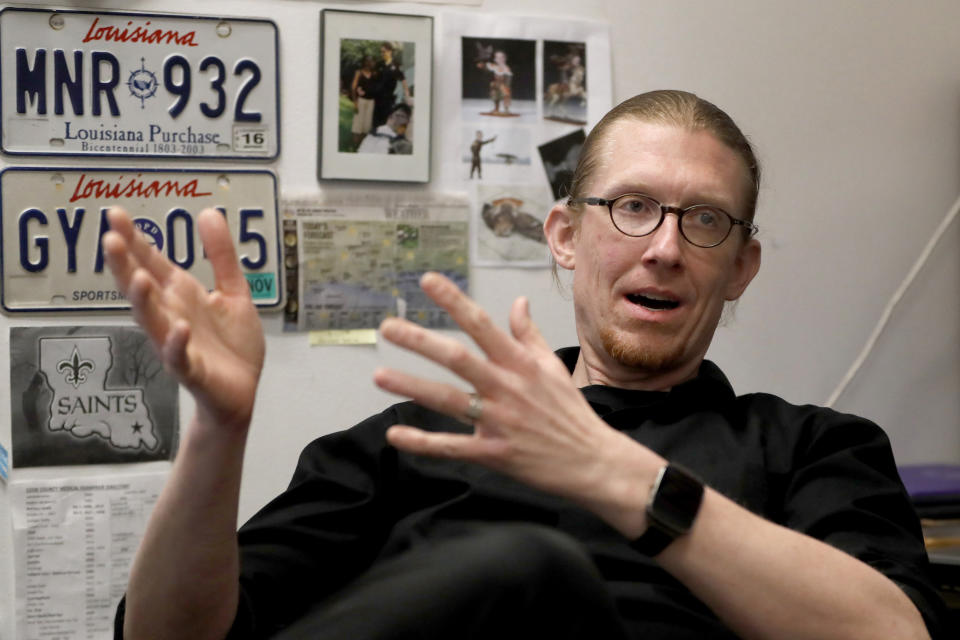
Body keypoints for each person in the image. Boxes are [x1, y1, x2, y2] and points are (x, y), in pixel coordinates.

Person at [108, 90, 947, 639]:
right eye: (632, 207)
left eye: (705, 221)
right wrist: (219, 432)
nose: (663, 249)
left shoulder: (812, 448)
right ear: (564, 236)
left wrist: (616, 474)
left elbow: (897, 634)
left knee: (526, 569)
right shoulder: (419, 438)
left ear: (742, 267)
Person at [371, 42, 410, 130]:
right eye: (381, 52)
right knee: (375, 122)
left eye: (384, 52)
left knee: (385, 122)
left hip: (388, 99)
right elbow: (373, 78)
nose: (382, 54)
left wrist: (407, 95)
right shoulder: (379, 64)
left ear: (390, 52)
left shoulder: (396, 65)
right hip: (377, 98)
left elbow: (403, 81)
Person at [349, 55, 378, 149]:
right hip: (361, 101)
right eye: (369, 61)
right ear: (365, 62)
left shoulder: (374, 74)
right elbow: (353, 88)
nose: (371, 63)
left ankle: (362, 146)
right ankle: (355, 146)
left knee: (367, 125)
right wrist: (355, 102)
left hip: (371, 102)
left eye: (372, 61)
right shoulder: (359, 72)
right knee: (358, 123)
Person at [479, 50, 513, 114]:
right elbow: (487, 67)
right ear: (495, 59)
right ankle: (496, 109)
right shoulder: (495, 66)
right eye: (497, 57)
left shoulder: (506, 68)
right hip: (496, 84)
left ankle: (506, 109)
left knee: (506, 95)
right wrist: (483, 66)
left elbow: (508, 77)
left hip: (504, 84)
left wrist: (506, 85)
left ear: (505, 58)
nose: (499, 59)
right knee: (495, 95)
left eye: (501, 57)